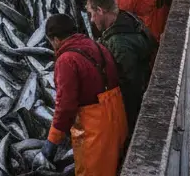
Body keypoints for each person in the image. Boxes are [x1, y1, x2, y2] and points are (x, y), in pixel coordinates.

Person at [41, 13, 128, 176]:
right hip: (118, 120)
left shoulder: (66, 60)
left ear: (56, 39)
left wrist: (52, 141)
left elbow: (65, 106)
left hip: (95, 132)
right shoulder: (98, 46)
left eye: (51, 42)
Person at [86, 0, 156, 134]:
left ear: (100, 10)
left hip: (133, 107)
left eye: (92, 14)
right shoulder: (128, 18)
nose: (92, 20)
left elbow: (129, 86)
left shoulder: (119, 43)